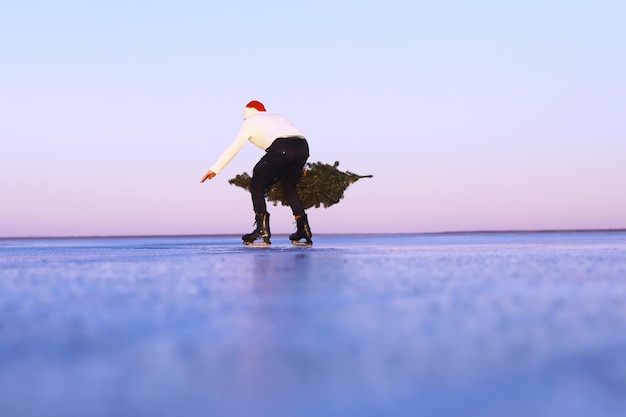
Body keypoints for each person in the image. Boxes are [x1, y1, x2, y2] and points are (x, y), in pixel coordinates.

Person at [200, 100, 313, 246]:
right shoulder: (277, 116)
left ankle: (262, 231)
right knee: (288, 186)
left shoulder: (251, 121)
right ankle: (303, 229)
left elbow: (234, 146)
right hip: (303, 147)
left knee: (257, 184)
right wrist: (303, 164)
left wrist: (215, 169)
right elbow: (294, 137)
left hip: (282, 147)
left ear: (247, 112)